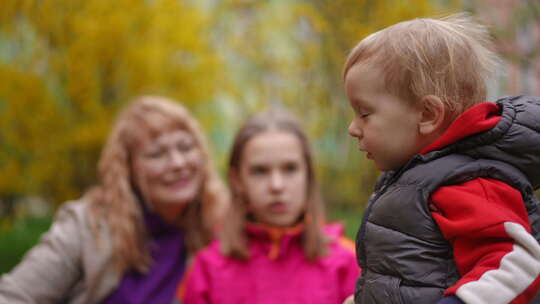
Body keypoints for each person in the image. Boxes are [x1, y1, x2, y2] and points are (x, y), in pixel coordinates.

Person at [342, 12, 540, 304]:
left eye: (365, 113)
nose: (352, 128)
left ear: (427, 115)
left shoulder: (467, 183)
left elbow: (516, 265)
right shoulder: (418, 180)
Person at [0, 96, 228, 304]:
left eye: (186, 147)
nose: (178, 163)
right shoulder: (88, 225)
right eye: (157, 154)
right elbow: (13, 297)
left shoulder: (221, 225)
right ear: (129, 169)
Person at [177, 108, 360, 304]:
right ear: (237, 179)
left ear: (308, 174)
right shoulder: (208, 269)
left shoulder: (347, 261)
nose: (276, 185)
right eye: (260, 171)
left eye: (290, 169)